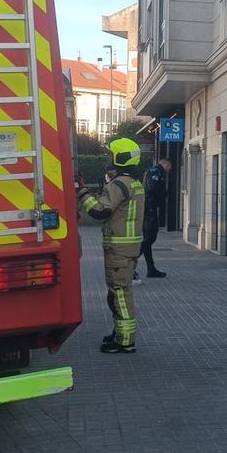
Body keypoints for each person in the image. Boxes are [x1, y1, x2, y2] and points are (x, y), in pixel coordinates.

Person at [76, 138, 146, 354]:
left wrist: (82, 192)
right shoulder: (134, 182)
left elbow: (100, 211)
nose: (108, 159)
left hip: (118, 249)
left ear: (120, 158)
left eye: (110, 155)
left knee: (120, 294)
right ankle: (119, 332)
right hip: (129, 247)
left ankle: (125, 340)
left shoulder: (118, 185)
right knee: (117, 292)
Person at [138, 157, 171, 278]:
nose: (169, 170)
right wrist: (161, 196)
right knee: (150, 238)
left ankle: (150, 269)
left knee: (148, 238)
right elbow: (152, 188)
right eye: (169, 167)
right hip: (149, 208)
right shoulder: (155, 172)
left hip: (149, 207)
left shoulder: (155, 171)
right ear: (164, 163)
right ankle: (130, 263)